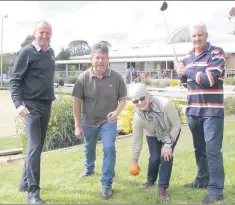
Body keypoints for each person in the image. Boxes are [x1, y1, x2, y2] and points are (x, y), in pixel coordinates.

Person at [174, 21, 225, 204]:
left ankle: (216, 189)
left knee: (212, 150)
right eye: (194, 36)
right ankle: (202, 180)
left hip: (212, 111)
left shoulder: (216, 53)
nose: (196, 39)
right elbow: (188, 83)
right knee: (200, 149)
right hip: (193, 110)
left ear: (206, 35)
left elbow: (209, 79)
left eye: (200, 35)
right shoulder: (187, 57)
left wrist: (187, 70)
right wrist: (180, 72)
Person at [72, 43, 127, 200]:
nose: (100, 61)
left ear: (108, 59)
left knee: (109, 148)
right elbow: (76, 103)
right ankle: (89, 168)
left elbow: (123, 99)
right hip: (88, 121)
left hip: (108, 122)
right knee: (89, 149)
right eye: (97, 58)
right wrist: (77, 125)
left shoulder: (117, 77)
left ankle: (106, 184)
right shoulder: (83, 78)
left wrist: (116, 112)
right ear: (91, 59)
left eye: (103, 58)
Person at [10, 20, 55, 204]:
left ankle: (24, 182)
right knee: (35, 147)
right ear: (34, 33)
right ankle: (33, 193)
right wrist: (18, 105)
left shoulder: (51, 53)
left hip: (46, 105)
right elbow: (15, 80)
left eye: (48, 33)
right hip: (31, 107)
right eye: (42, 32)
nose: (45, 36)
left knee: (36, 148)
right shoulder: (26, 52)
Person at [128, 83, 181, 201]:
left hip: (170, 130)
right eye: (136, 101)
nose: (140, 103)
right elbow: (137, 140)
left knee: (166, 156)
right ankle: (150, 181)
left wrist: (168, 145)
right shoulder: (138, 117)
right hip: (152, 133)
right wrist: (134, 161)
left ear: (148, 95)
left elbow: (176, 125)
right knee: (154, 158)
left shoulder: (165, 104)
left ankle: (162, 187)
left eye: (142, 98)